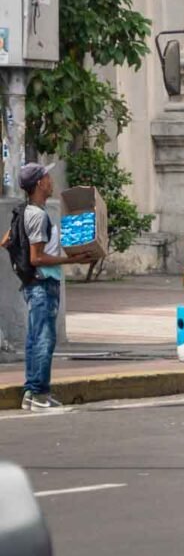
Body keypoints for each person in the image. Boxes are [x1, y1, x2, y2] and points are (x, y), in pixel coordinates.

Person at [0, 163, 95, 411]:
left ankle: (32, 393)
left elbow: (6, 241)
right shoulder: (37, 215)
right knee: (43, 340)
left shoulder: (25, 211)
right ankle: (40, 394)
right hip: (43, 282)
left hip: (34, 284)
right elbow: (37, 258)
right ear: (40, 183)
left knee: (35, 339)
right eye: (48, 177)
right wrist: (71, 260)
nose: (52, 180)